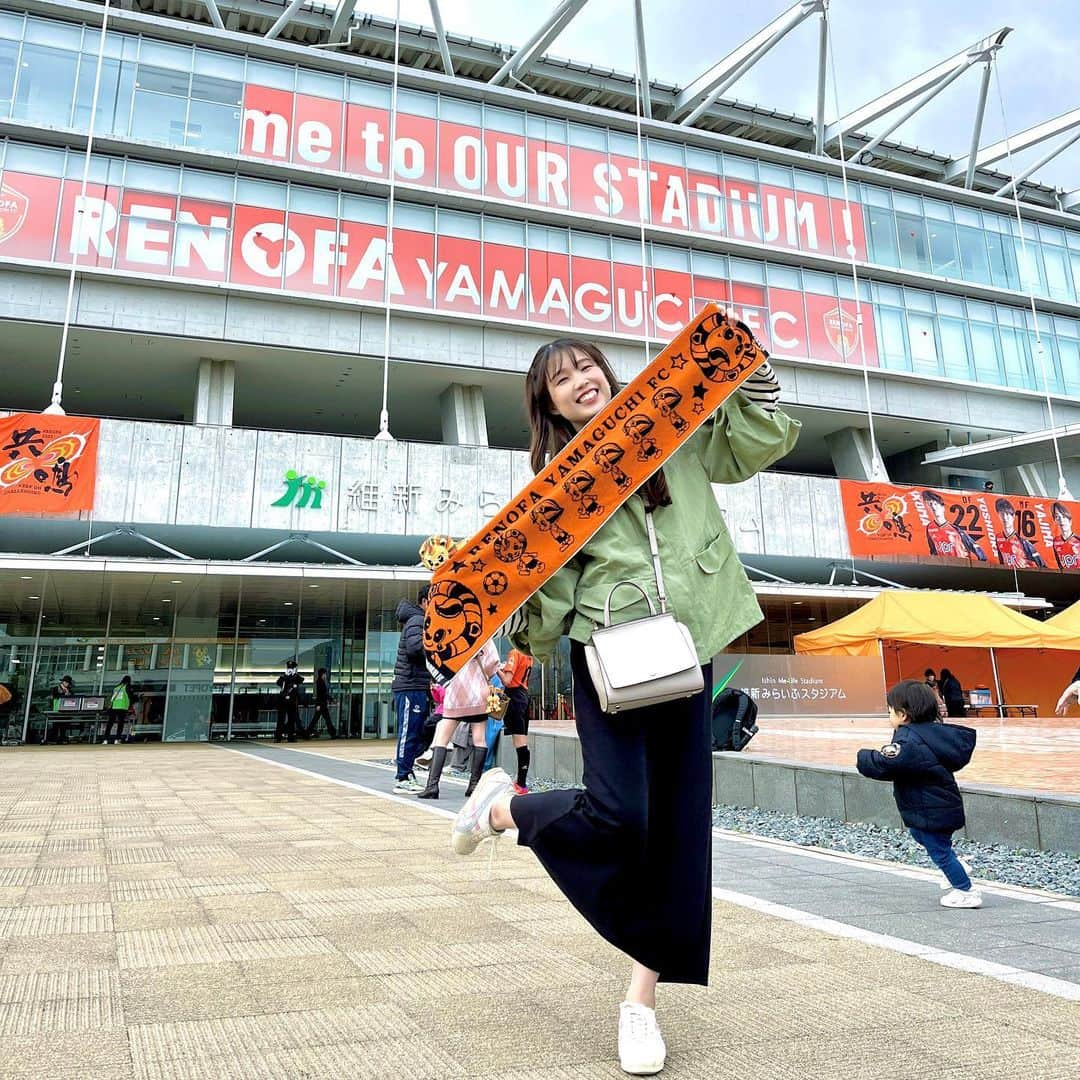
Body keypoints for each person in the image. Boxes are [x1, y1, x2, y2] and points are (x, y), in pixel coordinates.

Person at [447, 335, 798, 1075]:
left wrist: (756, 383)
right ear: (546, 405)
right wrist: (503, 599)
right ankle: (504, 808)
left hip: (688, 640)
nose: (580, 381)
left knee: (675, 831)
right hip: (609, 654)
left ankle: (641, 1004)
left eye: (586, 367)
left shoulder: (671, 428)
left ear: (607, 372)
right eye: (560, 380)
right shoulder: (556, 483)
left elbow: (748, 447)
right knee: (619, 817)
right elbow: (548, 598)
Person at [857, 679, 980, 909]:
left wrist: (864, 757)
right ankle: (956, 866)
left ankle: (966, 890)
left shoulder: (910, 740)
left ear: (903, 715)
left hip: (931, 807)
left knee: (939, 850)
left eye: (890, 711)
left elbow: (890, 764)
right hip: (939, 804)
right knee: (922, 835)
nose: (889, 716)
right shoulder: (929, 735)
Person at [417, 638, 500, 799]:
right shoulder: (485, 635)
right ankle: (474, 785)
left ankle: (432, 786)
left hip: (456, 691)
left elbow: (436, 661)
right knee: (479, 739)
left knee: (442, 738)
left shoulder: (452, 633)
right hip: (479, 693)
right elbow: (493, 663)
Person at [391, 588, 431, 792]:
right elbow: (415, 648)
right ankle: (402, 777)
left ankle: (406, 772)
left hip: (416, 685)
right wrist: (436, 644)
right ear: (425, 601)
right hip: (410, 685)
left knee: (417, 731)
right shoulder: (417, 620)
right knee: (409, 732)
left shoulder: (419, 619)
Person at [499, 648, 535, 794]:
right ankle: (521, 782)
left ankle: (521, 783)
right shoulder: (529, 654)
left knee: (519, 743)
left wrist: (497, 669)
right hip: (524, 695)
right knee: (522, 741)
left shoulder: (515, 652)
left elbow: (507, 681)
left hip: (514, 697)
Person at [921, 490, 986, 561]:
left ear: (943, 508)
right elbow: (933, 550)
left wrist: (982, 562)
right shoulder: (930, 528)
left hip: (961, 566)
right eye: (930, 504)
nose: (933, 507)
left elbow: (975, 546)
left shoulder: (956, 530)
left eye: (935, 504)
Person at [992, 498, 1045, 569]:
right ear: (998, 515)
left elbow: (1042, 565)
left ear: (1013, 516)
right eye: (1002, 514)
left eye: (1007, 514)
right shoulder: (998, 538)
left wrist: (1026, 564)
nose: (1005, 518)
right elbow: (1001, 561)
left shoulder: (1023, 541)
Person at [274, 659, 303, 743]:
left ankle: (291, 737)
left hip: (292, 701)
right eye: (289, 667)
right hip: (283, 700)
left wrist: (294, 675)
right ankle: (278, 737)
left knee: (291, 719)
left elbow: (301, 680)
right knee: (281, 719)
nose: (290, 669)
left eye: (292, 668)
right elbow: (278, 683)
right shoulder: (283, 677)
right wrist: (285, 676)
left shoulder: (296, 677)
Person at [306, 667, 337, 739]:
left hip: (322, 704)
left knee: (320, 719)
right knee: (323, 719)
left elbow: (322, 694)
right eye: (325, 674)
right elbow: (322, 694)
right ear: (323, 674)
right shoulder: (320, 682)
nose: (325, 676)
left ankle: (308, 732)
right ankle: (332, 733)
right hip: (321, 704)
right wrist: (330, 700)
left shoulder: (320, 681)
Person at [104, 675, 134, 745]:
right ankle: (117, 739)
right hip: (122, 707)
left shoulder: (116, 688)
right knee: (120, 723)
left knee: (110, 723)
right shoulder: (127, 687)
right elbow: (130, 696)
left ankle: (105, 739)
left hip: (114, 707)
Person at [1050, 502, 1080, 570]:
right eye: (1057, 516)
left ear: (1070, 521)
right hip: (1067, 578)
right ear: (1055, 520)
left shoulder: (1078, 540)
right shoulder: (1055, 542)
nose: (1061, 520)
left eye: (1064, 516)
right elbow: (1060, 565)